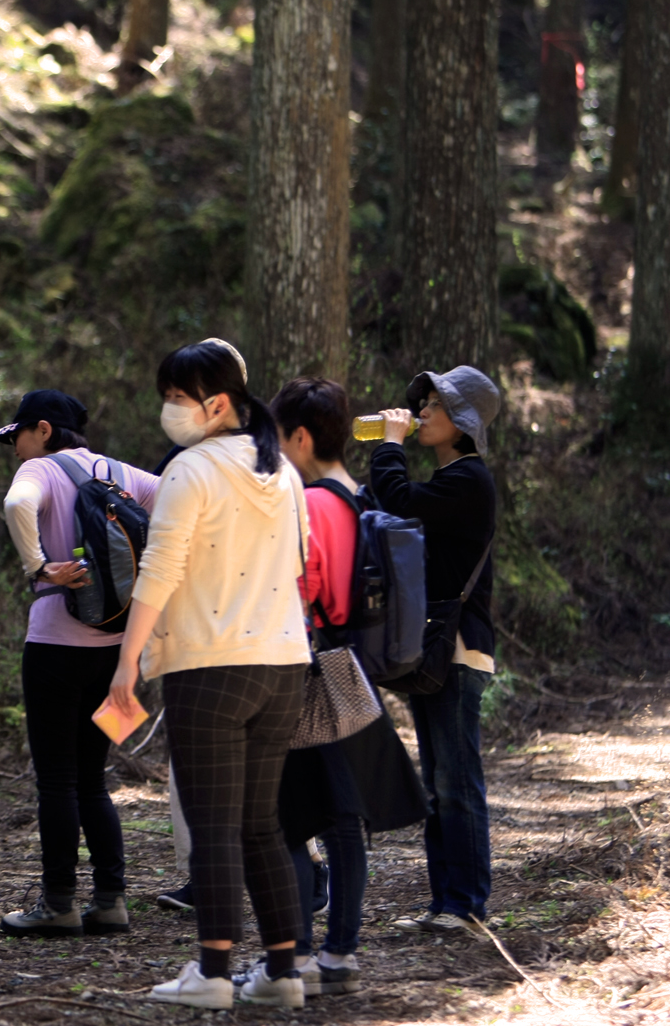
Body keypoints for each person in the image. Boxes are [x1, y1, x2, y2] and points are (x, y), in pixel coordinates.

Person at [108, 338, 313, 1010]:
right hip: (282, 665)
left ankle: (213, 973)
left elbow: (158, 570)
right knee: (261, 826)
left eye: (177, 396)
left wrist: (125, 662)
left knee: (214, 827)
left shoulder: (190, 470)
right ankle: (282, 969)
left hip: (209, 666)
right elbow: (298, 565)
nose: (168, 408)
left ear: (216, 403)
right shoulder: (280, 470)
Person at [272, 377, 429, 997]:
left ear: (302, 437)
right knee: (342, 819)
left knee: (285, 819)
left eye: (280, 438)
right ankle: (339, 953)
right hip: (345, 666)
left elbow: (296, 589)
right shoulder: (357, 496)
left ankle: (302, 956)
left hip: (304, 668)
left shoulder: (308, 505)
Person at [0, 390, 158, 937]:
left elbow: (17, 506)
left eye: (16, 436)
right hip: (115, 652)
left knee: (57, 782)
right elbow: (177, 504)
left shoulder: (39, 469)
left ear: (42, 429)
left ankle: (58, 902)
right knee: (93, 781)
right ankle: (110, 899)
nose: (15, 448)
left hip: (55, 648)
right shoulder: (118, 472)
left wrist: (40, 566)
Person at [366, 366, 500, 937]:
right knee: (440, 778)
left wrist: (390, 445)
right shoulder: (452, 480)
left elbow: (398, 498)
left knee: (455, 778)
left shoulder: (470, 479)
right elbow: (392, 502)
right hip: (437, 648)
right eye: (419, 403)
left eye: (432, 406)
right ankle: (446, 899)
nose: (419, 413)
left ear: (461, 422)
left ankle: (467, 902)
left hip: (458, 649)